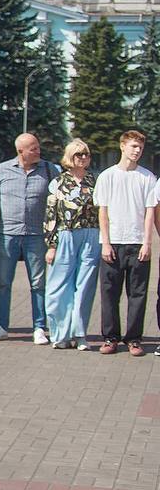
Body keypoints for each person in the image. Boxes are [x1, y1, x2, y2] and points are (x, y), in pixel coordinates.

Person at [0, 133, 59, 343]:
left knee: (38, 284)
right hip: (7, 235)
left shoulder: (49, 170)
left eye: (38, 147)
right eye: (33, 148)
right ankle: (1, 327)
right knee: (4, 283)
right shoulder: (2, 170)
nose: (38, 151)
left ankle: (39, 328)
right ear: (20, 151)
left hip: (36, 236)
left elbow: (57, 202)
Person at [93, 130, 156, 356]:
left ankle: (134, 339)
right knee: (109, 293)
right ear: (122, 146)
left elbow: (150, 213)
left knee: (138, 294)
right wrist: (106, 243)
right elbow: (103, 212)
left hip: (138, 243)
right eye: (133, 146)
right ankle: (110, 338)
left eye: (140, 147)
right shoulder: (107, 176)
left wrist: (147, 243)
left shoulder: (147, 177)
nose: (137, 151)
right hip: (113, 243)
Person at [43, 139, 100, 351]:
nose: (83, 158)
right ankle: (60, 334)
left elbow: (104, 211)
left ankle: (80, 334)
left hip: (91, 235)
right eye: (79, 154)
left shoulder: (95, 181)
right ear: (70, 157)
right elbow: (50, 215)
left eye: (86, 154)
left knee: (84, 287)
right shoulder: (58, 182)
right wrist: (51, 245)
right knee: (58, 287)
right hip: (65, 235)